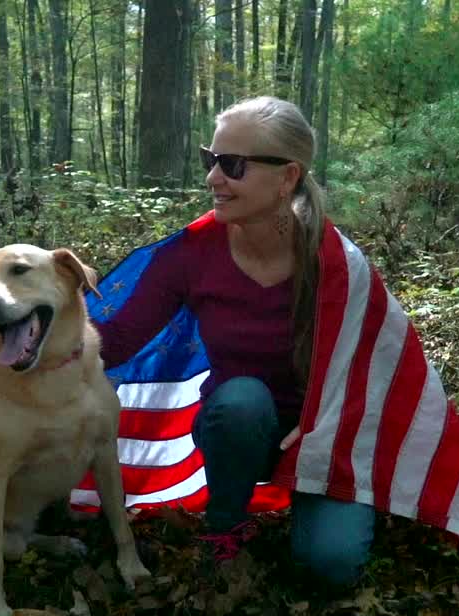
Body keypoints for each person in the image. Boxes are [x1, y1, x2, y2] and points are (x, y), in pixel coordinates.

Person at [94, 96, 375, 587]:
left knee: (330, 566)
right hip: (238, 430)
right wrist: (37, 314)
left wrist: (321, 426)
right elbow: (114, 342)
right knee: (242, 400)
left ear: (287, 177)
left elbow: (377, 373)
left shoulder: (336, 263)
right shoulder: (191, 254)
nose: (212, 178)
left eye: (232, 165)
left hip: (328, 439)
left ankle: (344, 505)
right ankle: (226, 527)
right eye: (211, 160)